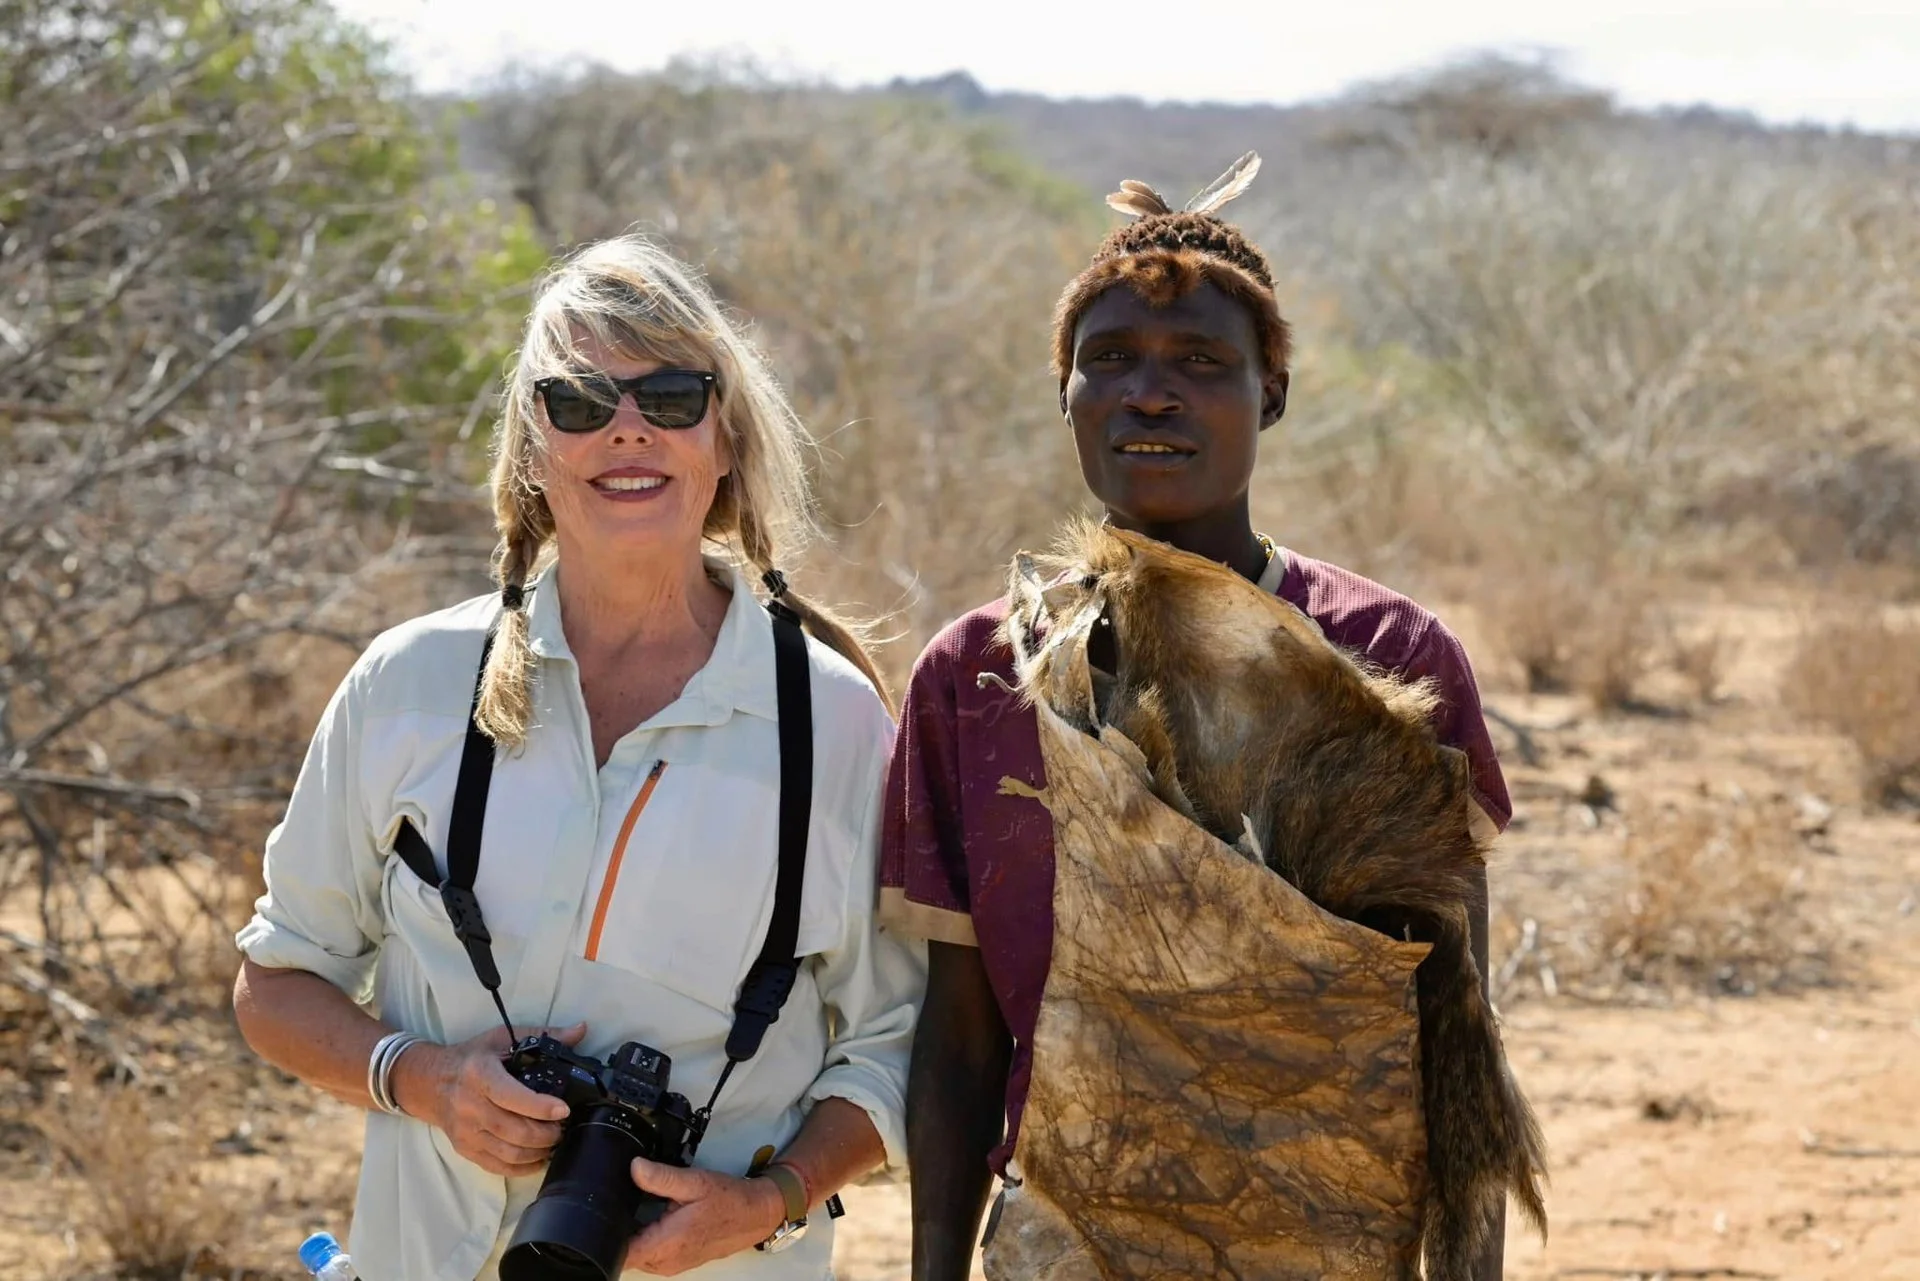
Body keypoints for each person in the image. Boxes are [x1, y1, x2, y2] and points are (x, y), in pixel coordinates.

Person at [233, 234, 924, 1280]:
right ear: (531, 447)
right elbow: (276, 985)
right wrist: (419, 1079)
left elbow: (896, 1046)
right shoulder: (407, 683)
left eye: (673, 397)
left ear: (726, 440)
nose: (628, 431)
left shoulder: (836, 726)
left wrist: (766, 1201)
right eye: (581, 402)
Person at [881, 155, 1513, 1281]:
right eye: (1108, 360)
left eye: (1202, 363)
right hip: (1067, 1239)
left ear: (1271, 392)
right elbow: (960, 1031)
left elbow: (1455, 1031)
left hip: (1335, 1245)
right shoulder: (978, 674)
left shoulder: (1391, 656)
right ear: (1063, 393)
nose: (1150, 394)